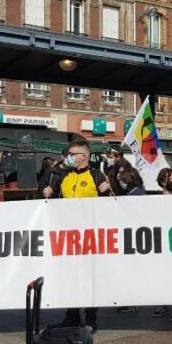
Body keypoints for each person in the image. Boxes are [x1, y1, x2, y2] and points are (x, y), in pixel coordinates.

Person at [45, 140, 112, 332]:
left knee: (91, 278)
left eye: (72, 154)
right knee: (70, 277)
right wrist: (47, 192)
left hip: (91, 237)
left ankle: (91, 319)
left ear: (84, 156)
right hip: (68, 237)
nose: (69, 157)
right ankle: (72, 316)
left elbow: (114, 204)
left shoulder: (97, 175)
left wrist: (107, 191)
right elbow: (53, 200)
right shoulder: (64, 175)